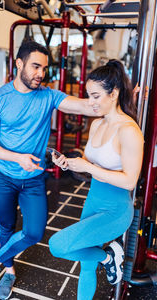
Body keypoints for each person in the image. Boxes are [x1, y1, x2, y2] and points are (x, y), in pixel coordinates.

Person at [0, 40, 104, 300]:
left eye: (44, 69)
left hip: (33, 179)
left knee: (34, 232)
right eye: (36, 67)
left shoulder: (49, 95)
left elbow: (83, 105)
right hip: (3, 177)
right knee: (7, 228)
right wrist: (17, 157)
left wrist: (118, 97)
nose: (41, 74)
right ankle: (8, 270)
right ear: (19, 64)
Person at [49, 59, 144, 300]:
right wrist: (72, 162)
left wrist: (89, 166)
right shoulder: (97, 124)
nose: (90, 103)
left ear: (113, 94)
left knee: (58, 245)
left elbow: (130, 181)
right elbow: (92, 162)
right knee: (85, 265)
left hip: (116, 210)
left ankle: (108, 257)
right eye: (88, 96)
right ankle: (106, 260)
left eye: (95, 96)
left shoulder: (129, 131)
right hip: (93, 201)